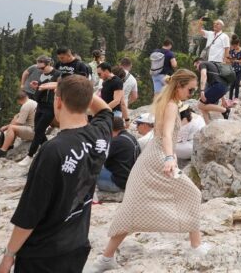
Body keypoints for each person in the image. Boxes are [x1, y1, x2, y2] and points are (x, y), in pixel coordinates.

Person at [88, 70, 210, 272]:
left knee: (133, 208)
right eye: (190, 89)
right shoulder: (171, 105)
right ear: (179, 86)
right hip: (160, 158)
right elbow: (168, 136)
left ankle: (106, 258)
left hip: (153, 158)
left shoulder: (165, 100)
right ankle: (195, 246)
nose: (191, 93)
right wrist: (171, 158)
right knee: (191, 194)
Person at [0, 75, 112, 273]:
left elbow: (30, 212)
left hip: (43, 254)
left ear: (58, 102)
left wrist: (9, 254)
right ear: (87, 102)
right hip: (77, 244)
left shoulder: (53, 150)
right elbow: (105, 110)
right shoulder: (100, 134)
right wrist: (81, 92)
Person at [19, 60, 62, 167]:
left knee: (39, 130)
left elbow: (60, 87)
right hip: (40, 104)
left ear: (50, 64)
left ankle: (30, 155)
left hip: (50, 106)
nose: (40, 70)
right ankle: (49, 150)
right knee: (37, 129)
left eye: (42, 68)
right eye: (38, 68)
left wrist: (47, 87)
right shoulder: (42, 74)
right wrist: (37, 87)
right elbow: (42, 88)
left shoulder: (57, 74)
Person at [97, 117, 140, 193]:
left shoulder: (116, 141)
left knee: (87, 171)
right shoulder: (131, 137)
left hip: (118, 184)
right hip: (130, 180)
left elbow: (97, 158)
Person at [0, 92, 37, 158]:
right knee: (13, 123)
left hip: (32, 131)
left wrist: (6, 127)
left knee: (11, 128)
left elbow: (20, 122)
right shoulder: (32, 102)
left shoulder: (25, 106)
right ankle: (9, 145)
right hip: (36, 130)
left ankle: (3, 151)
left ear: (19, 100)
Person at [118, 58, 139, 124]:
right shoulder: (133, 79)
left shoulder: (113, 73)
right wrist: (128, 102)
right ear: (130, 66)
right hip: (123, 105)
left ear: (120, 65)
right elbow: (135, 96)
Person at [228, 35, 241, 103]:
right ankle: (230, 99)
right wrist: (230, 60)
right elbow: (230, 59)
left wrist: (235, 60)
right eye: (233, 46)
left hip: (239, 69)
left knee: (237, 83)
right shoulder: (232, 51)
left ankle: (236, 98)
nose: (234, 47)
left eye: (235, 46)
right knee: (232, 84)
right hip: (232, 69)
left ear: (238, 44)